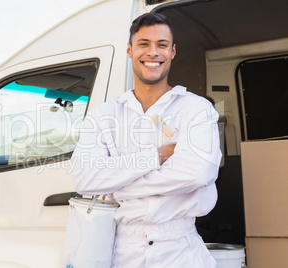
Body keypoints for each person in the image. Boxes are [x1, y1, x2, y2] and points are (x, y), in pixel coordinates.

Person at [71, 12, 221, 267]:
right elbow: (84, 178)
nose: (153, 53)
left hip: (181, 250)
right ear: (130, 50)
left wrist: (117, 183)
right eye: (143, 44)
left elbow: (197, 173)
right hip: (123, 252)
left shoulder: (196, 109)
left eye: (161, 45)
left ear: (172, 52)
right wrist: (157, 156)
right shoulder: (105, 114)